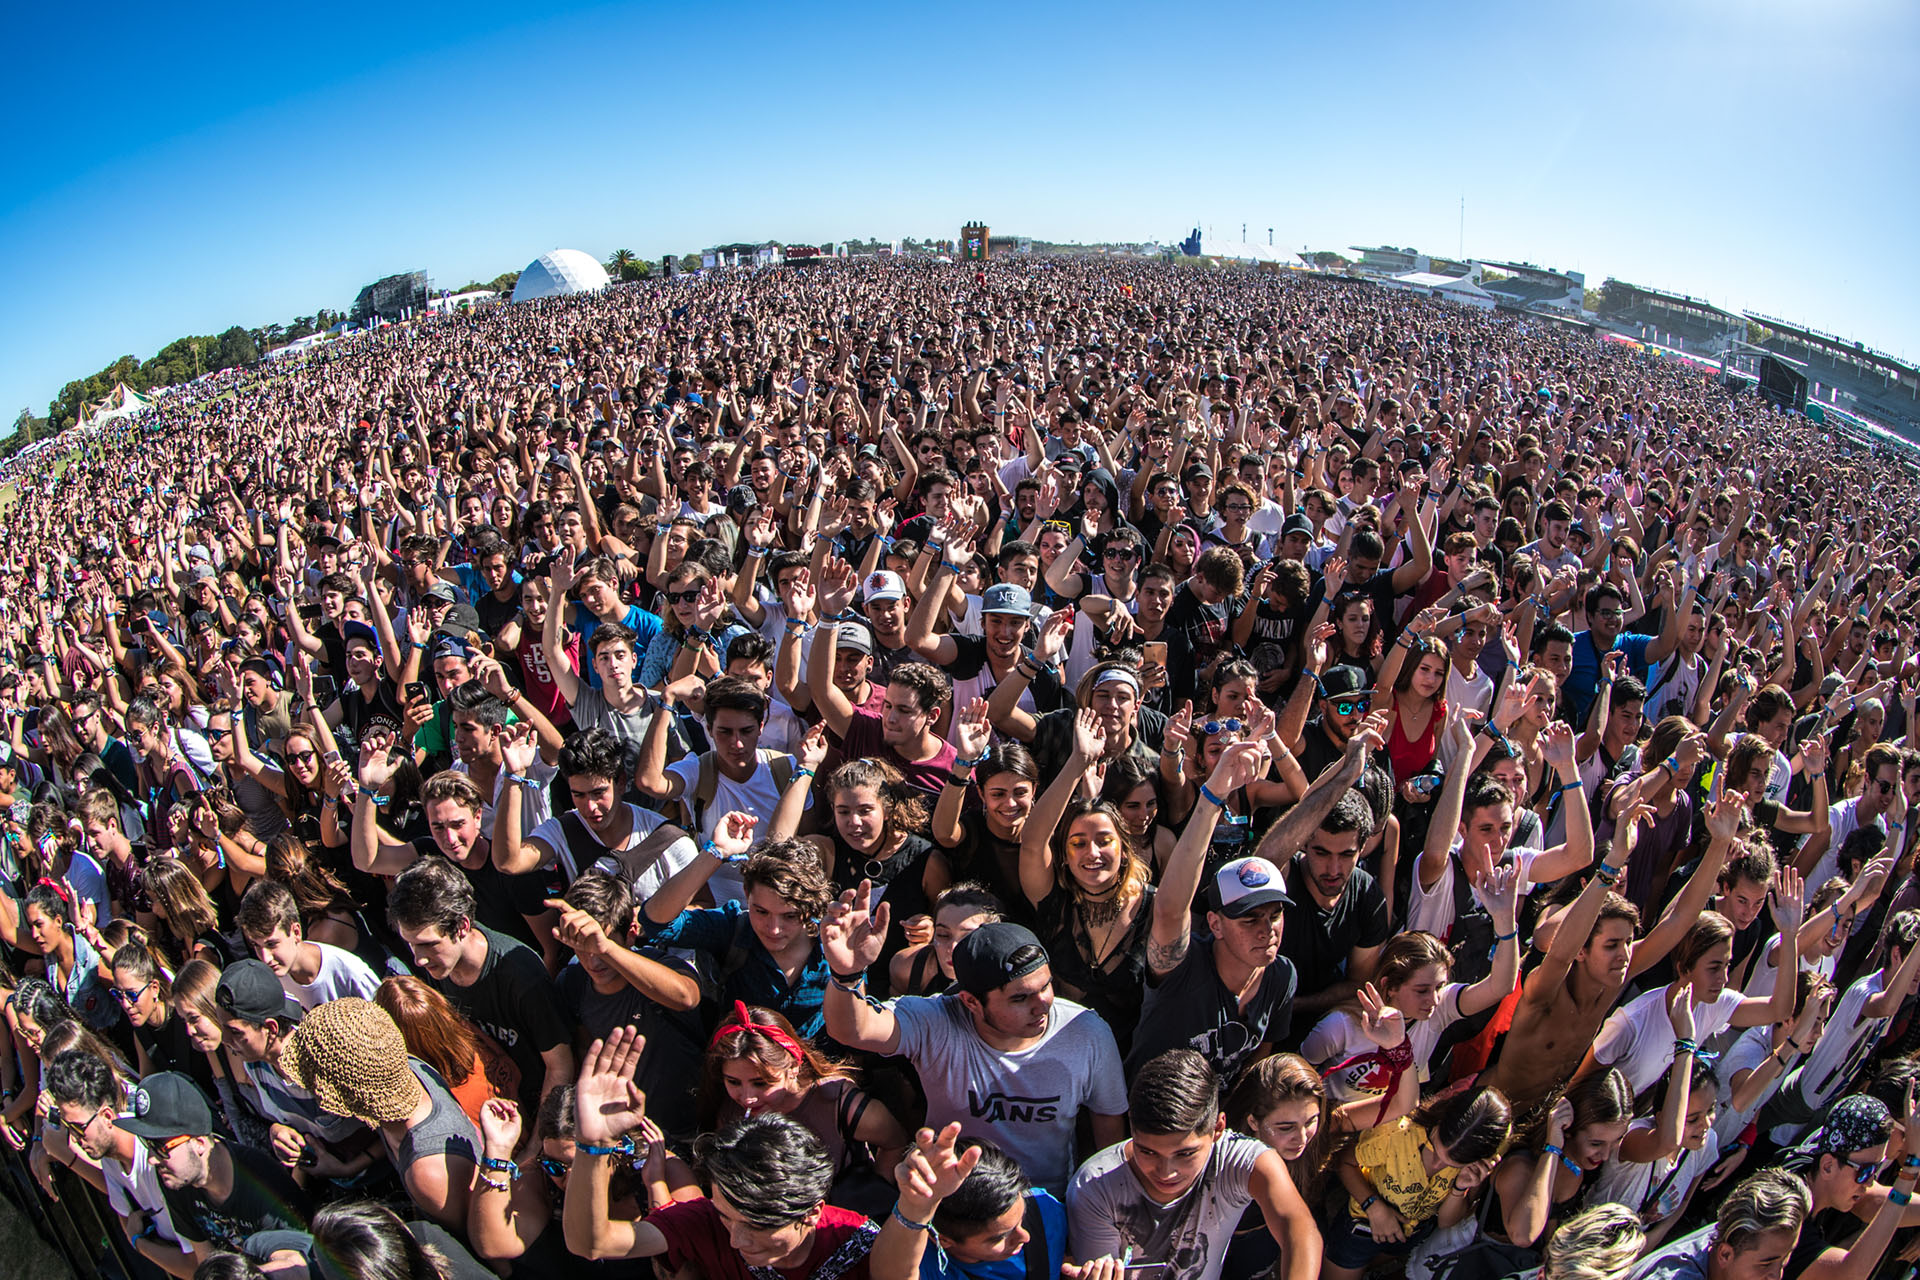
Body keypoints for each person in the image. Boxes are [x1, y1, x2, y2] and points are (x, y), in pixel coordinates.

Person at [558, 1025, 961, 1278]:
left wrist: (913, 1210)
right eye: (726, 1218)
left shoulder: (854, 1240)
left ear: (813, 1212)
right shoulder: (710, 1222)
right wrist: (594, 1147)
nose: (735, 1240)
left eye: (758, 1226)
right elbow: (590, 1243)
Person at [820, 908, 1127, 1197]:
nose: (1042, 1005)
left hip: (1043, 1200)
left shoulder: (1086, 1032)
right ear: (970, 1002)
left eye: (1046, 986)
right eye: (1019, 998)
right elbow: (853, 1030)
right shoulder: (936, 1021)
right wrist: (847, 975)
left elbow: (1109, 1136)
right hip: (951, 1197)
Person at [1065, 1048, 1320, 1280]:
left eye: (1185, 1154)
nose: (1167, 1172)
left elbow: (1299, 1229)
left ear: (1218, 1129)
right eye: (1148, 1152)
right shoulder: (1094, 1187)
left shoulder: (1240, 1160)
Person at [385, 855, 575, 1114]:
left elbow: (560, 1066)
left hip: (534, 1109)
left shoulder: (520, 975)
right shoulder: (438, 966)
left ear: (462, 925)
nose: (419, 960)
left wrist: (537, 1143)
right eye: (411, 944)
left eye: (428, 944)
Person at [276, 996, 482, 1231]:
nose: (317, 1095)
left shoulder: (427, 1170)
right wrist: (346, 1169)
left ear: (345, 1093)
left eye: (317, 1085)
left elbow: (468, 1240)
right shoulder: (404, 1069)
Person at [1321, 1085, 1512, 1280]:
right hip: (1363, 1227)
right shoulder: (1397, 1134)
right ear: (1441, 1120)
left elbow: (1446, 1222)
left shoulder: (1478, 1165)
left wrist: (1459, 1187)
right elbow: (1344, 1161)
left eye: (1452, 1164)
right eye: (1436, 1149)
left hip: (1412, 1233)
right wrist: (1373, 1206)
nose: (1438, 1163)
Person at [114, 1070, 313, 1253]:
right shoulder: (176, 1181)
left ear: (199, 1142)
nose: (152, 1160)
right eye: (148, 1145)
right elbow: (204, 1258)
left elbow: (296, 1266)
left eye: (161, 1148)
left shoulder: (263, 1184)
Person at [44, 1047, 198, 1278]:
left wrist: (139, 1243)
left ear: (107, 1116)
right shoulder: (110, 1158)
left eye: (78, 1128)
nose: (75, 1139)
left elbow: (193, 1265)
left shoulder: (157, 1158)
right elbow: (125, 1220)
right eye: (69, 1128)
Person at [1626, 1165, 1809, 1280]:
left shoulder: (1731, 1234)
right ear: (1725, 1255)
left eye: (1785, 1258)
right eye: (1766, 1264)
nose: (1776, 1276)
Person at [234, 877, 381, 1010]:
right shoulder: (269, 983)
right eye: (256, 945)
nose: (265, 958)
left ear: (296, 932)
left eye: (272, 944)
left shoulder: (350, 973)